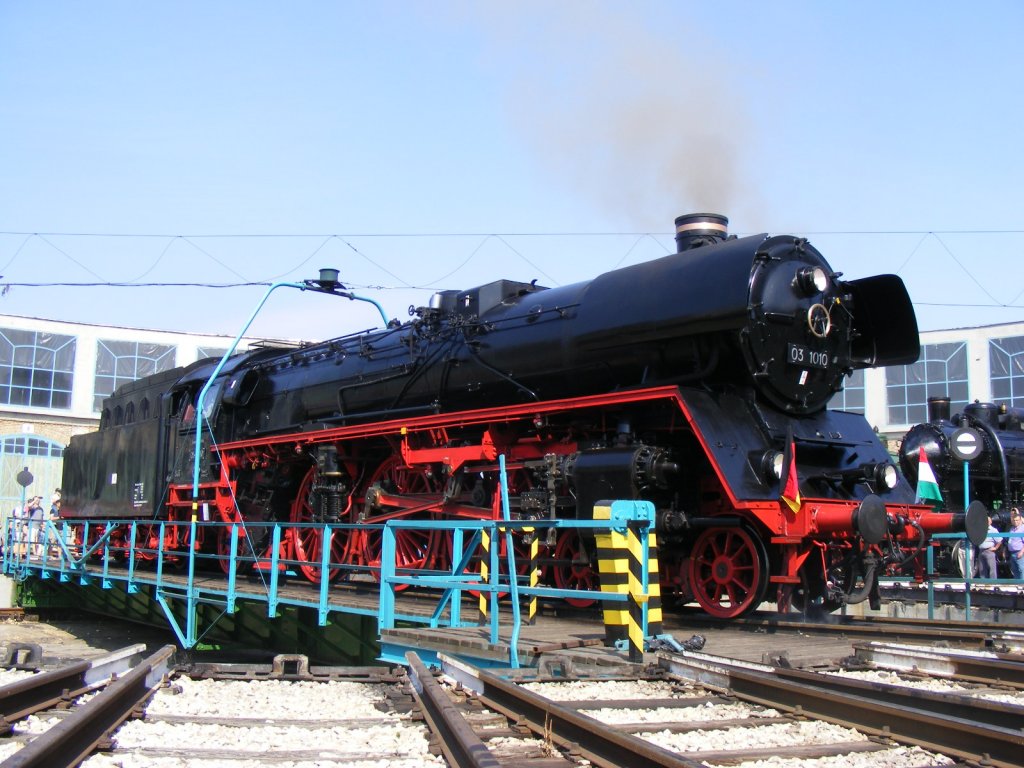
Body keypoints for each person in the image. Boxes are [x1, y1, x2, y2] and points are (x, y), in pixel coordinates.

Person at [977, 514, 1001, 580]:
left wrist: (995, 548)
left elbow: (999, 540)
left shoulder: (993, 530)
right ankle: (984, 583)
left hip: (989, 551)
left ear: (990, 522)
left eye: (988, 521)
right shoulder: (981, 529)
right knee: (982, 569)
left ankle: (993, 583)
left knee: (992, 569)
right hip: (981, 551)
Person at [1006, 507, 1024, 581]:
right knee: (1014, 569)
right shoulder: (1012, 529)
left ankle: (1022, 585)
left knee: (1021, 569)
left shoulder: (1022, 528)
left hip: (1019, 552)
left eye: (1017, 520)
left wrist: (1022, 552)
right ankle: (1018, 585)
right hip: (1012, 553)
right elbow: (1009, 540)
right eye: (1014, 520)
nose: (1016, 521)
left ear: (1020, 520)